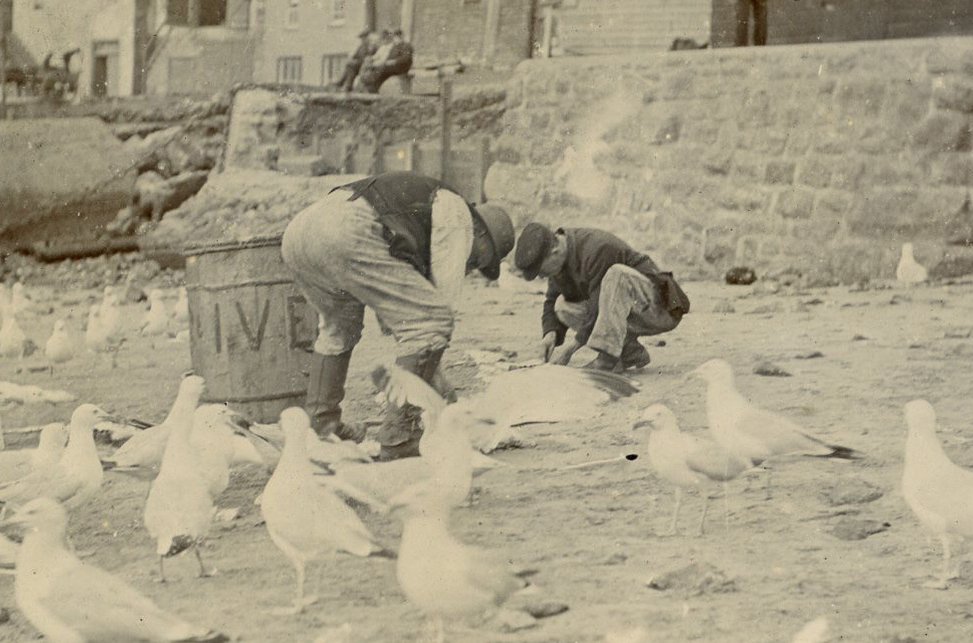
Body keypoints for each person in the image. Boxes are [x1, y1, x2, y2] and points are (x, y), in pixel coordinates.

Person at [281, 172, 515, 458]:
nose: (472, 266)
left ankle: (321, 428)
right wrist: (437, 389)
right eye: (479, 258)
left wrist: (428, 371)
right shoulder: (458, 217)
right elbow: (436, 312)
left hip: (302, 230)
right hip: (348, 229)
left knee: (337, 330)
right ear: (480, 233)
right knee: (433, 322)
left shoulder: (422, 214)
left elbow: (399, 318)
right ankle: (399, 435)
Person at [511, 223, 690, 373]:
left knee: (616, 275)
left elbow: (598, 307)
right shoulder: (560, 260)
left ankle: (607, 359)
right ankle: (630, 354)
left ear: (555, 251)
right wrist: (549, 336)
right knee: (562, 306)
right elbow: (551, 300)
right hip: (630, 310)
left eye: (541, 271)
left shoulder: (597, 247)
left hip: (661, 307)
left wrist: (570, 349)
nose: (542, 276)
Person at [357, 28, 414, 94]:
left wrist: (393, 61)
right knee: (381, 71)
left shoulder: (406, 45)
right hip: (393, 66)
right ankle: (373, 89)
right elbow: (389, 57)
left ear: (401, 36)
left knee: (382, 68)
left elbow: (406, 58)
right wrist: (386, 62)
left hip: (402, 67)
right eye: (395, 37)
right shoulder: (395, 46)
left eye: (398, 37)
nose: (396, 39)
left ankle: (370, 81)